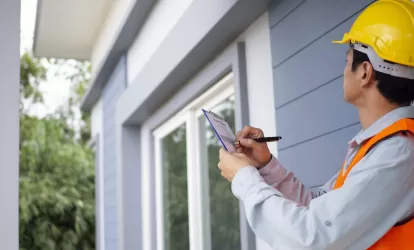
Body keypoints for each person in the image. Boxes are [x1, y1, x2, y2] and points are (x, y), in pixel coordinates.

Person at [217, 0, 414, 249]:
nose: (342, 71)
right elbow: (318, 207)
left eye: (346, 61)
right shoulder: (380, 146)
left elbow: (313, 237)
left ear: (364, 72)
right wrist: (266, 166)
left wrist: (245, 179)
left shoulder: (398, 151)